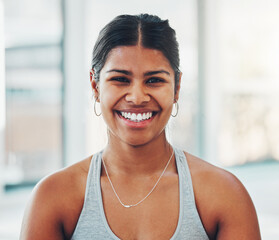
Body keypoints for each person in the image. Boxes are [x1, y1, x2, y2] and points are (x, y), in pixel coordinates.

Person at [20, 14, 261, 240]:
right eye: (120, 79)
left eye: (154, 80)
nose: (137, 97)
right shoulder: (52, 197)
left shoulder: (225, 195)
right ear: (95, 86)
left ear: (176, 89)